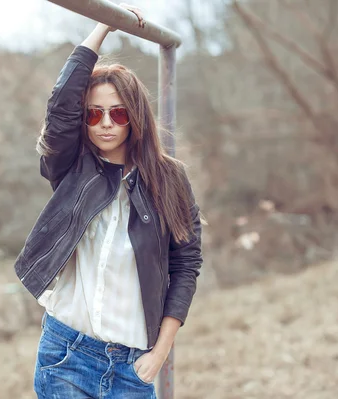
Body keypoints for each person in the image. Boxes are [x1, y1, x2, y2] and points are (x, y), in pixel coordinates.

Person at [14, 4, 203, 398]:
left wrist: (160, 352)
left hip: (133, 367)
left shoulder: (170, 179)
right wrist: (104, 27)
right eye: (94, 114)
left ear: (135, 117)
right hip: (66, 355)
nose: (104, 123)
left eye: (118, 114)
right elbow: (60, 108)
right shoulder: (71, 169)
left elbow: (186, 265)